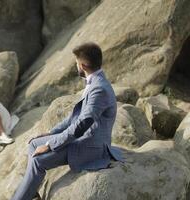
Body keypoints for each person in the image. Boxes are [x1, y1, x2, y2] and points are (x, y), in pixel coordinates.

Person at [12, 42, 123, 200]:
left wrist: (50, 144)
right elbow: (75, 117)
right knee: (33, 143)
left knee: (38, 160)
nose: (75, 66)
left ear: (83, 65)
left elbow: (82, 125)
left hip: (90, 146)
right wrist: (51, 133)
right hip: (83, 138)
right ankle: (30, 190)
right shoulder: (95, 81)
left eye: (76, 63)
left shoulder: (99, 89)